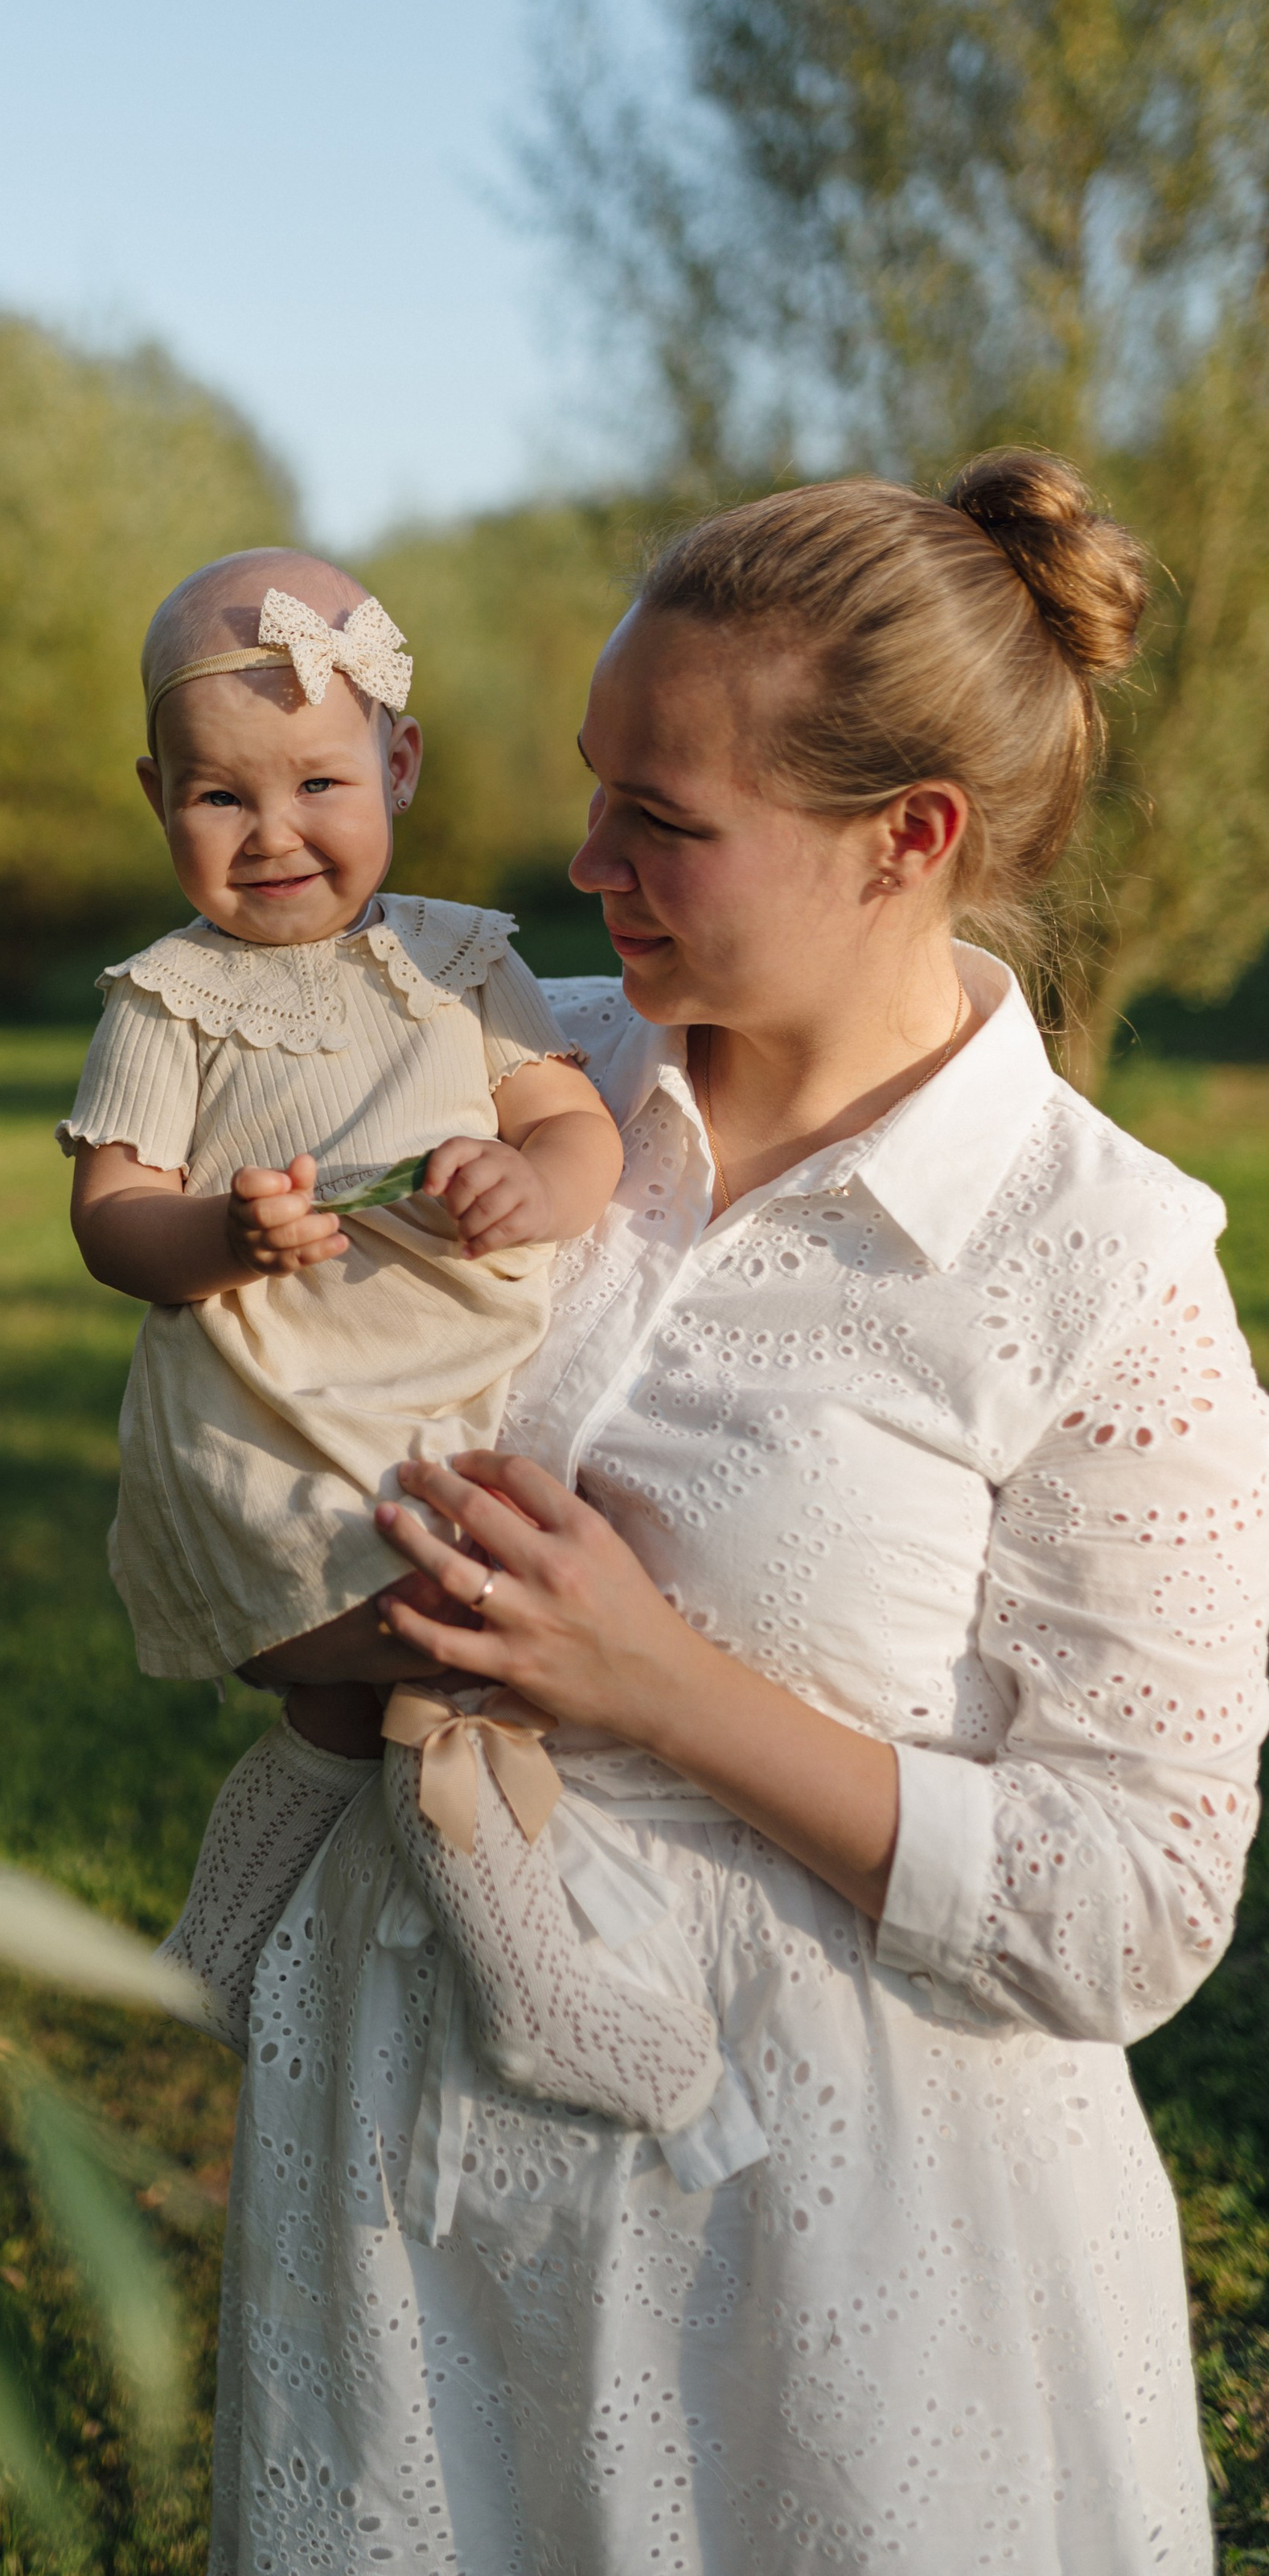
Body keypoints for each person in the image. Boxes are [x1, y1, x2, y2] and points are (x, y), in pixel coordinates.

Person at [204, 450, 1269, 2576]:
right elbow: (260, 1447)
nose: (584, 857)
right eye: (597, 786)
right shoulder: (493, 1072)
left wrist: (659, 1685)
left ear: (915, 841)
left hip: (834, 2254)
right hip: (414, 2180)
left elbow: (1135, 1904)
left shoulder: (1099, 1266)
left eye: (665, 820)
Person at [63, 548, 753, 2147]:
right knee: (459, 1648)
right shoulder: (167, 1001)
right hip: (264, 1422)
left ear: (399, 764)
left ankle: (215, 1948)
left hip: (423, 1403)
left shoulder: (461, 962)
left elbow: (567, 1123)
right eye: (217, 797)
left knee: (335, 1706)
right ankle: (535, 1987)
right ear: (153, 795)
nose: (272, 832)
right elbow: (110, 1216)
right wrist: (217, 1235)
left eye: (315, 780)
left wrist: (536, 1181)